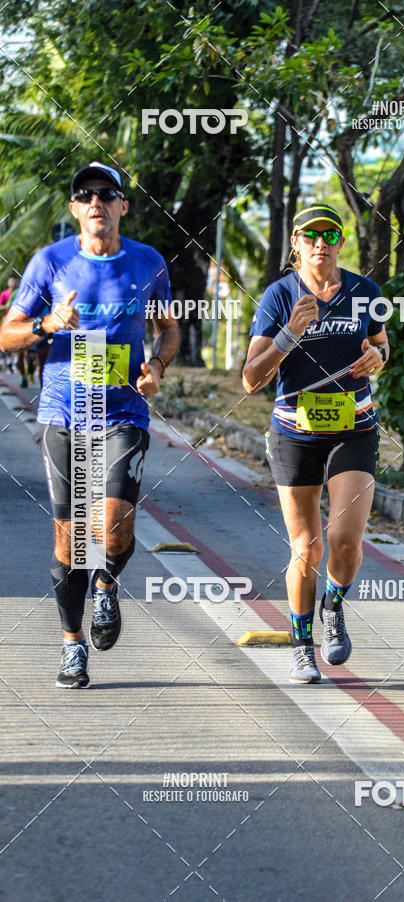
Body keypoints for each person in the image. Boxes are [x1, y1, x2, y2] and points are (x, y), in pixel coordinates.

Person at [0, 161, 180, 688]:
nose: (96, 202)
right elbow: (6, 335)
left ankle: (107, 583)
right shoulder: (49, 262)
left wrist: (159, 366)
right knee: (71, 540)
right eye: (85, 195)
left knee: (114, 526)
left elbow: (166, 328)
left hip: (124, 411)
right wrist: (47, 324)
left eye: (107, 194)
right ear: (75, 208)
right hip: (65, 412)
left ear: (123, 205)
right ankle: (72, 645)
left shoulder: (148, 262)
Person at [242, 203, 389, 683]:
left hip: (355, 427)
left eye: (329, 234)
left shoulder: (365, 291)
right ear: (296, 245)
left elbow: (381, 343)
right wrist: (289, 334)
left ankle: (335, 604)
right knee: (307, 546)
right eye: (310, 236)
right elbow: (250, 379)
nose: (320, 243)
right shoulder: (279, 295)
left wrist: (377, 358)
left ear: (340, 241)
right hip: (295, 433)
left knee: (345, 541)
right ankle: (302, 645)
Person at [0, 276, 18, 372]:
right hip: (7, 319)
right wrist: (7, 307)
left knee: (17, 341)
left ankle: (15, 361)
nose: (13, 283)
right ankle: (9, 360)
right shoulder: (4, 294)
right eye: (11, 281)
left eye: (15, 281)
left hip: (18, 319)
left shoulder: (20, 292)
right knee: (7, 341)